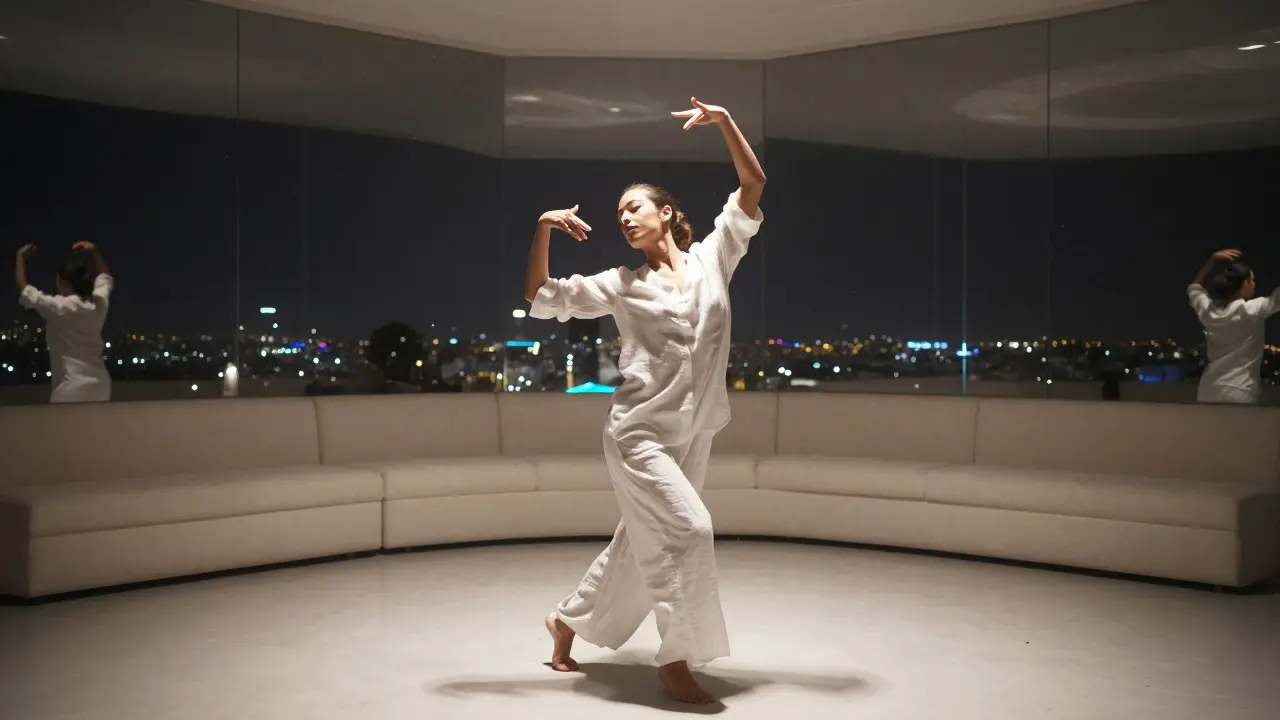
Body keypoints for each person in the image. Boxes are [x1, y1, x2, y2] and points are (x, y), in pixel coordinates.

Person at [524, 97, 765, 705]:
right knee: (690, 530)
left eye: (634, 207)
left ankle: (565, 621)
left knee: (637, 547)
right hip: (638, 434)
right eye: (619, 214)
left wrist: (726, 123)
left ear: (666, 213)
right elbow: (540, 296)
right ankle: (676, 658)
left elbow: (753, 185)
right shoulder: (620, 284)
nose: (625, 218)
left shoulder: (714, 258)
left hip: (696, 431)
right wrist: (544, 227)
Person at [15, 241, 114, 403]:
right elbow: (105, 277)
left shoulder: (61, 307)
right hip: (101, 385)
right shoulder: (98, 303)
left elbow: (26, 292)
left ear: (64, 283)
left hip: (72, 386)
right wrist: (95, 252)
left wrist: (20, 258)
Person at [1187, 249, 1280, 404]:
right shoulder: (1252, 310)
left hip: (1208, 390)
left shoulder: (1208, 311)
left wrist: (1212, 261)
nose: (1254, 284)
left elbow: (1194, 287)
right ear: (1245, 284)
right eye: (1252, 280)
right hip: (1240, 390)